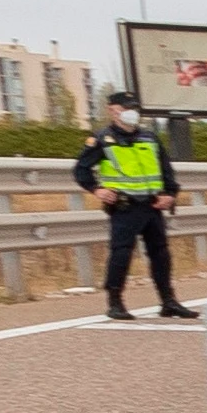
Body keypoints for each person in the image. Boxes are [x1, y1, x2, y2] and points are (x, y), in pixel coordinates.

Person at [73, 96, 189, 319]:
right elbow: (81, 170)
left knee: (161, 254)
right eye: (125, 108)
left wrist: (170, 194)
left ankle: (168, 301)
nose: (131, 112)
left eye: (134, 108)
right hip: (125, 207)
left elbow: (166, 171)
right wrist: (97, 190)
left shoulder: (150, 137)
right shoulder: (102, 139)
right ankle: (115, 303)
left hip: (152, 205)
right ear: (112, 110)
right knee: (122, 253)